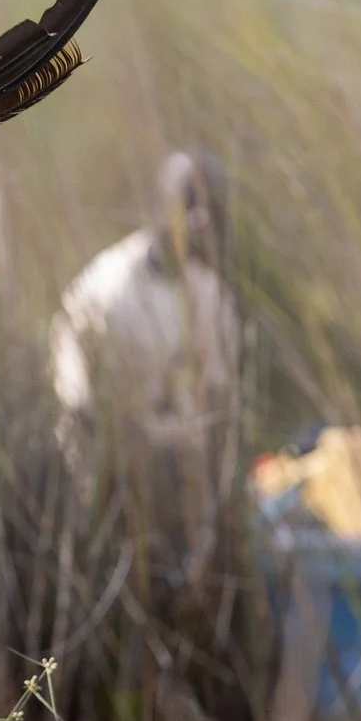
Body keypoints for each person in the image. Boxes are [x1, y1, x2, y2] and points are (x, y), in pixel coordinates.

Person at [50, 151, 241, 495]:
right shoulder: (107, 292)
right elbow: (77, 403)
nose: (200, 220)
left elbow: (218, 398)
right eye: (189, 203)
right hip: (115, 473)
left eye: (211, 207)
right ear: (160, 206)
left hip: (188, 474)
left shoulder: (211, 296)